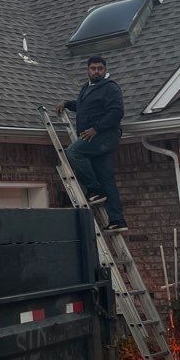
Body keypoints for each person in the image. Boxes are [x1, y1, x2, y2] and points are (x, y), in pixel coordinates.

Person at [57, 55, 128, 233]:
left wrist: (96, 129)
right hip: (95, 139)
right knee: (106, 178)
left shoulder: (110, 87)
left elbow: (116, 112)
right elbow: (83, 107)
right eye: (93, 68)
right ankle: (118, 220)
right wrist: (67, 103)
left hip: (104, 136)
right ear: (88, 70)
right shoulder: (87, 88)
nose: (96, 71)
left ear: (105, 70)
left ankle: (94, 189)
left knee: (73, 152)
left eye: (100, 69)